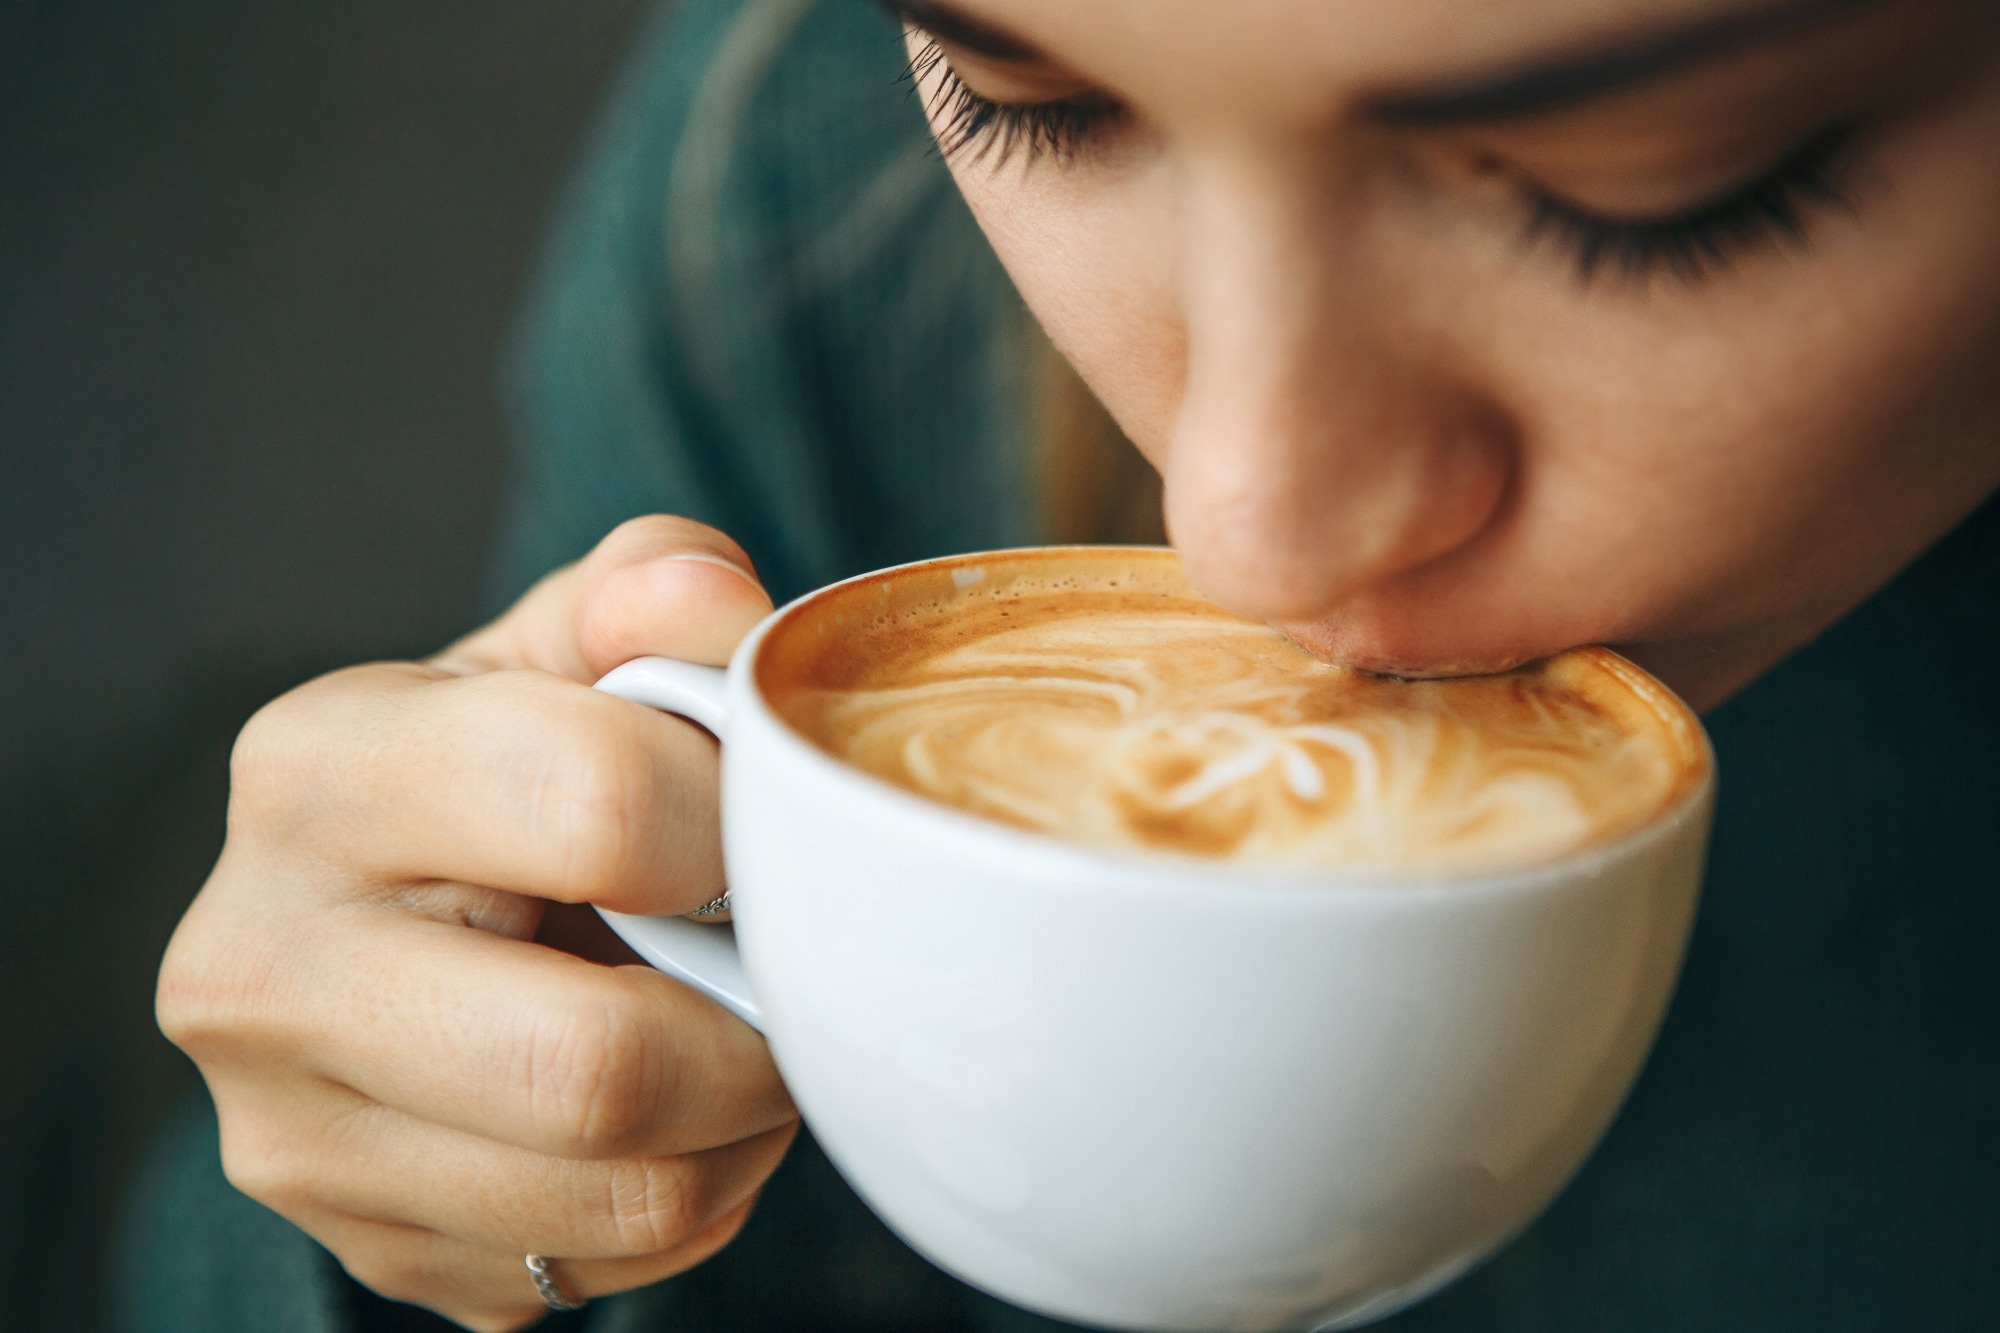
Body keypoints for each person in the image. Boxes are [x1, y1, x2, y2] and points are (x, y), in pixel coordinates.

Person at [117, 0, 2000, 1329]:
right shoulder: (808, 200)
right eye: (1034, 100)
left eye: (1646, 191)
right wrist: (434, 1183)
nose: (1246, 524)